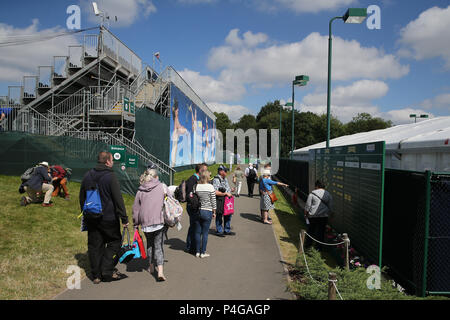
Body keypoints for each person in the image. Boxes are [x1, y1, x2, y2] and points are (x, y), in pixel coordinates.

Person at [79, 151, 129, 284]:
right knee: (115, 242)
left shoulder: (87, 175)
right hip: (108, 218)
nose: (113, 163)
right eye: (112, 160)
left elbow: (82, 197)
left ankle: (96, 275)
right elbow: (118, 199)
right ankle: (106, 269)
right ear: (107, 161)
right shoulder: (110, 176)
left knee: (95, 245)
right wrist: (124, 218)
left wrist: (85, 213)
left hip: (91, 217)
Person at [132, 168, 167, 281]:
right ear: (156, 177)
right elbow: (169, 198)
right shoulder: (162, 187)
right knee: (158, 246)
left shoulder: (140, 190)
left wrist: (135, 224)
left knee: (150, 245)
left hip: (146, 223)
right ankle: (160, 271)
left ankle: (151, 267)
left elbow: (136, 209)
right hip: (158, 221)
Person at [185, 163, 208, 254]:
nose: (207, 172)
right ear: (200, 171)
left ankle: (193, 246)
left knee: (195, 226)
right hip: (192, 207)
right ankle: (190, 246)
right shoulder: (193, 179)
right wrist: (195, 204)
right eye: (205, 170)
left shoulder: (198, 179)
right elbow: (190, 195)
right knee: (193, 226)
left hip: (196, 207)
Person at [304, 180, 333, 250]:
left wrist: (305, 215)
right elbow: (331, 207)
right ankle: (319, 247)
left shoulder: (312, 194)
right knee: (321, 232)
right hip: (323, 217)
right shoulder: (328, 194)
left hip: (313, 217)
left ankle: (308, 246)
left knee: (311, 231)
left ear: (316, 186)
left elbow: (307, 206)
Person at [193, 170, 216, 258]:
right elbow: (213, 200)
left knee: (198, 232)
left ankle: (197, 251)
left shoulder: (196, 186)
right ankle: (203, 252)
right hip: (208, 211)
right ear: (207, 177)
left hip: (198, 210)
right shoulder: (210, 187)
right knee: (205, 233)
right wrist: (214, 211)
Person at [212, 165, 235, 236]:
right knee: (219, 215)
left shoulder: (225, 178)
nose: (226, 172)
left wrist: (230, 190)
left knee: (228, 214)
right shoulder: (216, 179)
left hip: (227, 200)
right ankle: (219, 231)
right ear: (220, 171)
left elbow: (226, 188)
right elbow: (215, 191)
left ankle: (226, 230)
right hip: (220, 200)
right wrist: (226, 193)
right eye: (225, 171)